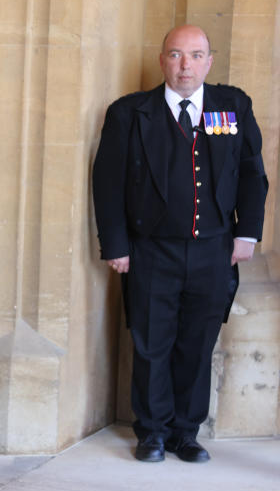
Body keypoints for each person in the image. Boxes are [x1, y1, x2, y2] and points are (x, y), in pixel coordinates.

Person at [92, 25, 268, 464]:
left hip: (215, 249)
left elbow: (251, 173)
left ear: (209, 61)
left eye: (195, 55)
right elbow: (107, 183)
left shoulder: (232, 107)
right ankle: (151, 432)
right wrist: (116, 245)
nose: (185, 64)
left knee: (197, 343)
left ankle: (185, 433)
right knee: (151, 342)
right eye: (175, 54)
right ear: (162, 60)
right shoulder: (130, 113)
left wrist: (247, 233)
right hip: (151, 249)